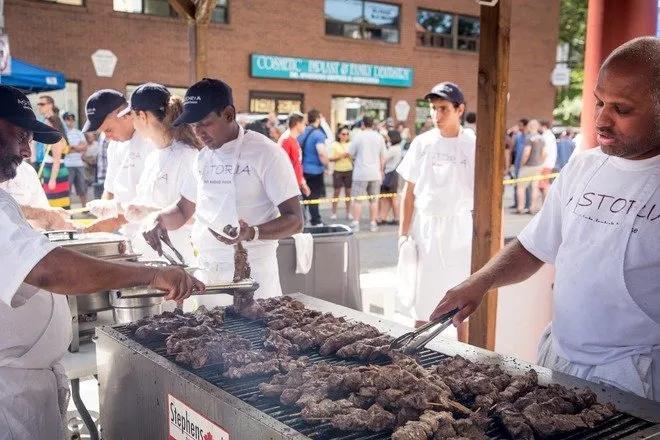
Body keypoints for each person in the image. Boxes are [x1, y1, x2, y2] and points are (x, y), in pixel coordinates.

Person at [431, 36, 660, 402]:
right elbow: (533, 247)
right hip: (562, 359)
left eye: (622, 109)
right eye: (599, 102)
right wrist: (479, 283)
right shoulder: (585, 165)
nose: (601, 118)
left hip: (640, 376)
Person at [0, 84, 204, 440]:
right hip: (9, 396)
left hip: (22, 384)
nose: (27, 151)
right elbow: (49, 269)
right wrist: (153, 275)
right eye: (20, 134)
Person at [142, 78, 303, 307]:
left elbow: (296, 221)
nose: (198, 133)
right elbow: (181, 210)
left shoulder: (266, 153)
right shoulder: (203, 157)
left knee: (256, 338)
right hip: (208, 275)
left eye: (205, 123)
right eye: (193, 125)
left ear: (228, 114)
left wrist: (251, 233)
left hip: (253, 277)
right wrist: (158, 220)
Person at [397, 82, 475, 325]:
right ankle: (418, 355)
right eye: (433, 108)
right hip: (426, 226)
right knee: (422, 296)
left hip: (460, 226)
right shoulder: (422, 143)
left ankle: (466, 354)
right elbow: (408, 192)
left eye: (443, 109)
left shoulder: (473, 144)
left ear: (459, 110)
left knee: (463, 295)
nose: (437, 115)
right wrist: (403, 235)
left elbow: (486, 193)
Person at [119, 83, 202, 263]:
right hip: (151, 259)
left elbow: (198, 218)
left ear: (142, 116)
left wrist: (149, 212)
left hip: (179, 260)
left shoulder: (187, 157)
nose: (132, 124)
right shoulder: (152, 156)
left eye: (132, 117)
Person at [82, 89, 154, 236]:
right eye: (102, 133)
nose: (107, 137)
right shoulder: (115, 145)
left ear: (125, 115)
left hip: (153, 231)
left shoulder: (151, 140)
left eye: (108, 129)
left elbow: (154, 201)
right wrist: (101, 219)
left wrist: (114, 221)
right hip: (128, 233)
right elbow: (110, 191)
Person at [0, 161, 74, 230]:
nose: (27, 152)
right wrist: (41, 213)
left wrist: (52, 220)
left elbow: (43, 219)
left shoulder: (27, 170)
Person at [349, 115, 386, 232]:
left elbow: (350, 153)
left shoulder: (358, 136)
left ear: (363, 124)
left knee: (358, 200)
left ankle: (356, 223)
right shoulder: (379, 137)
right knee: (374, 200)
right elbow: (383, 156)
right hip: (375, 172)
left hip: (360, 172)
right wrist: (381, 170)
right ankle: (373, 223)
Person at [298, 109, 328, 226]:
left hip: (302, 170)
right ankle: (316, 220)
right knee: (314, 197)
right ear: (317, 119)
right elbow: (321, 152)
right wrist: (327, 165)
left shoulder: (302, 132)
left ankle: (303, 220)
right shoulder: (318, 134)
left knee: (303, 197)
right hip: (315, 171)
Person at [516, 119, 546, 214]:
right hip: (538, 166)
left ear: (530, 127)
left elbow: (526, 153)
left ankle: (520, 207)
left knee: (521, 187)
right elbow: (545, 153)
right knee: (535, 187)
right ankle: (533, 207)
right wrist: (540, 161)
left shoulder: (529, 138)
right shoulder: (541, 138)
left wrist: (522, 164)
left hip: (528, 166)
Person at [40, 115, 70, 209]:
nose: (44, 127)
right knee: (58, 202)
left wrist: (52, 180)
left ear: (54, 125)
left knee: (56, 203)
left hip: (55, 173)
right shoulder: (56, 138)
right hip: (55, 171)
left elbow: (56, 161)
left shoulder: (56, 140)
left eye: (47, 125)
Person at [280, 112, 311, 198]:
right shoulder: (286, 140)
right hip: (289, 188)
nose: (305, 126)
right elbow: (283, 166)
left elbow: (297, 163)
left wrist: (302, 182)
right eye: (304, 123)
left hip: (295, 185)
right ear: (298, 124)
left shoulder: (293, 140)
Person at [62, 112, 89, 207]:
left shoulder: (79, 133)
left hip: (79, 164)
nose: (70, 121)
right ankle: (68, 209)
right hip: (67, 165)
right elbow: (65, 150)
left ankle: (85, 208)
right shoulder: (63, 134)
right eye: (68, 119)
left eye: (72, 119)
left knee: (82, 188)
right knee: (67, 189)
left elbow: (84, 147)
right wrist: (77, 148)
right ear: (64, 120)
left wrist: (72, 147)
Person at [378, 129, 403, 225]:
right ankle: (383, 217)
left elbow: (384, 157)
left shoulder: (394, 149)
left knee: (391, 198)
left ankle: (396, 218)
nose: (387, 138)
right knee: (386, 197)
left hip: (390, 174)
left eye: (388, 136)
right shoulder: (397, 148)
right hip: (392, 174)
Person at [329, 125, 353, 221]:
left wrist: (349, 155)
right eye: (343, 134)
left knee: (348, 192)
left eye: (347, 134)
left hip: (348, 169)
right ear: (339, 135)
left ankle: (348, 212)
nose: (345, 136)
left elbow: (354, 156)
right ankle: (334, 212)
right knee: (336, 192)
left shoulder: (351, 144)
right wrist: (341, 155)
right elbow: (330, 158)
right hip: (338, 170)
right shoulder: (334, 144)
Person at [539, 119, 557, 200]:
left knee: (543, 185)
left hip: (545, 163)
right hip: (549, 163)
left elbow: (545, 152)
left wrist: (540, 162)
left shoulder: (545, 136)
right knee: (545, 184)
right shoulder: (550, 135)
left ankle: (544, 204)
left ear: (543, 126)